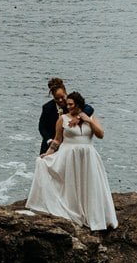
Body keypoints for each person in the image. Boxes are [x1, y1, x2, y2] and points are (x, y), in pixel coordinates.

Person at [26, 91, 117, 231]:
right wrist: (47, 153)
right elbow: (57, 140)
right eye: (67, 104)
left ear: (78, 104)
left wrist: (88, 120)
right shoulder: (62, 119)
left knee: (89, 184)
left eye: (71, 104)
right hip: (68, 155)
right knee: (71, 185)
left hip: (88, 156)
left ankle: (92, 214)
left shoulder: (90, 116)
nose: (68, 107)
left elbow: (101, 134)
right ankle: (73, 209)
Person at [37, 77, 94, 156]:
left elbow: (89, 108)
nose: (60, 100)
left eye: (62, 97)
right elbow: (42, 127)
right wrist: (49, 140)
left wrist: (78, 117)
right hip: (51, 147)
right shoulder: (47, 107)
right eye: (57, 98)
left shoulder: (72, 104)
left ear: (65, 93)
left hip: (69, 147)